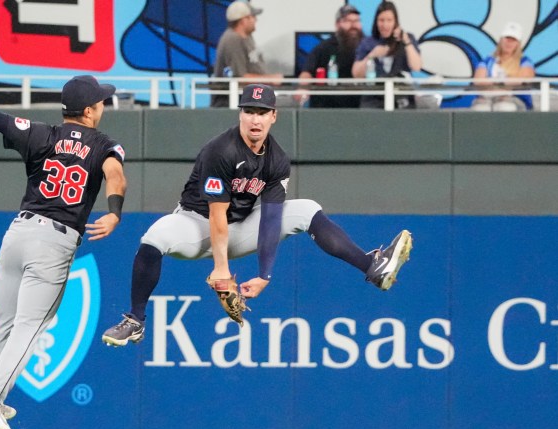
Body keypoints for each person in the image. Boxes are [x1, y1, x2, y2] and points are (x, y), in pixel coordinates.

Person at [101, 83, 412, 347]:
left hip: (240, 229)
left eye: (262, 112)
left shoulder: (277, 161)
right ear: (240, 114)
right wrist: (221, 271)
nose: (255, 119)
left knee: (305, 209)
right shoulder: (221, 150)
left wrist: (264, 276)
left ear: (274, 116)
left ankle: (373, 267)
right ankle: (135, 320)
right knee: (155, 236)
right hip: (195, 225)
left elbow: (272, 220)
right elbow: (216, 213)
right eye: (249, 111)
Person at [0, 66, 127, 429]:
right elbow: (115, 175)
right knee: (30, 327)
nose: (103, 103)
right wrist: (115, 210)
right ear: (88, 111)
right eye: (100, 99)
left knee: (1, 321)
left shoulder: (42, 134)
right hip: (54, 241)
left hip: (18, 232)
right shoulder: (104, 143)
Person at [210, 1, 282, 108]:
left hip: (253, 97)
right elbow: (240, 77)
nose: (256, 20)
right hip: (234, 101)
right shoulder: (232, 40)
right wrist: (270, 79)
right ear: (244, 20)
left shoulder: (247, 38)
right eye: (253, 17)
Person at [352, 1, 422, 109]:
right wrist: (372, 55)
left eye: (389, 20)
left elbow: (416, 66)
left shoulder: (408, 39)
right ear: (376, 22)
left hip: (402, 99)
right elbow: (356, 74)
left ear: (395, 22)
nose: (385, 25)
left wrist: (406, 42)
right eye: (381, 20)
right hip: (373, 100)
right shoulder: (367, 42)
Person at [297, 4, 364, 108]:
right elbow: (307, 72)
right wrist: (302, 89)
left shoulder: (367, 47)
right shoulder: (324, 48)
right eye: (348, 21)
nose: (353, 25)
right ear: (337, 25)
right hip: (328, 107)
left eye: (356, 21)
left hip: (360, 106)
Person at [470, 22, 536, 112]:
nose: (509, 43)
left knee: (505, 107)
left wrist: (495, 82)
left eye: (513, 40)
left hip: (515, 98)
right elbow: (478, 80)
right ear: (501, 40)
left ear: (518, 43)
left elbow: (524, 78)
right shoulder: (488, 60)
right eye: (507, 38)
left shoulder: (525, 61)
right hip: (488, 98)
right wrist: (504, 82)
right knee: (481, 108)